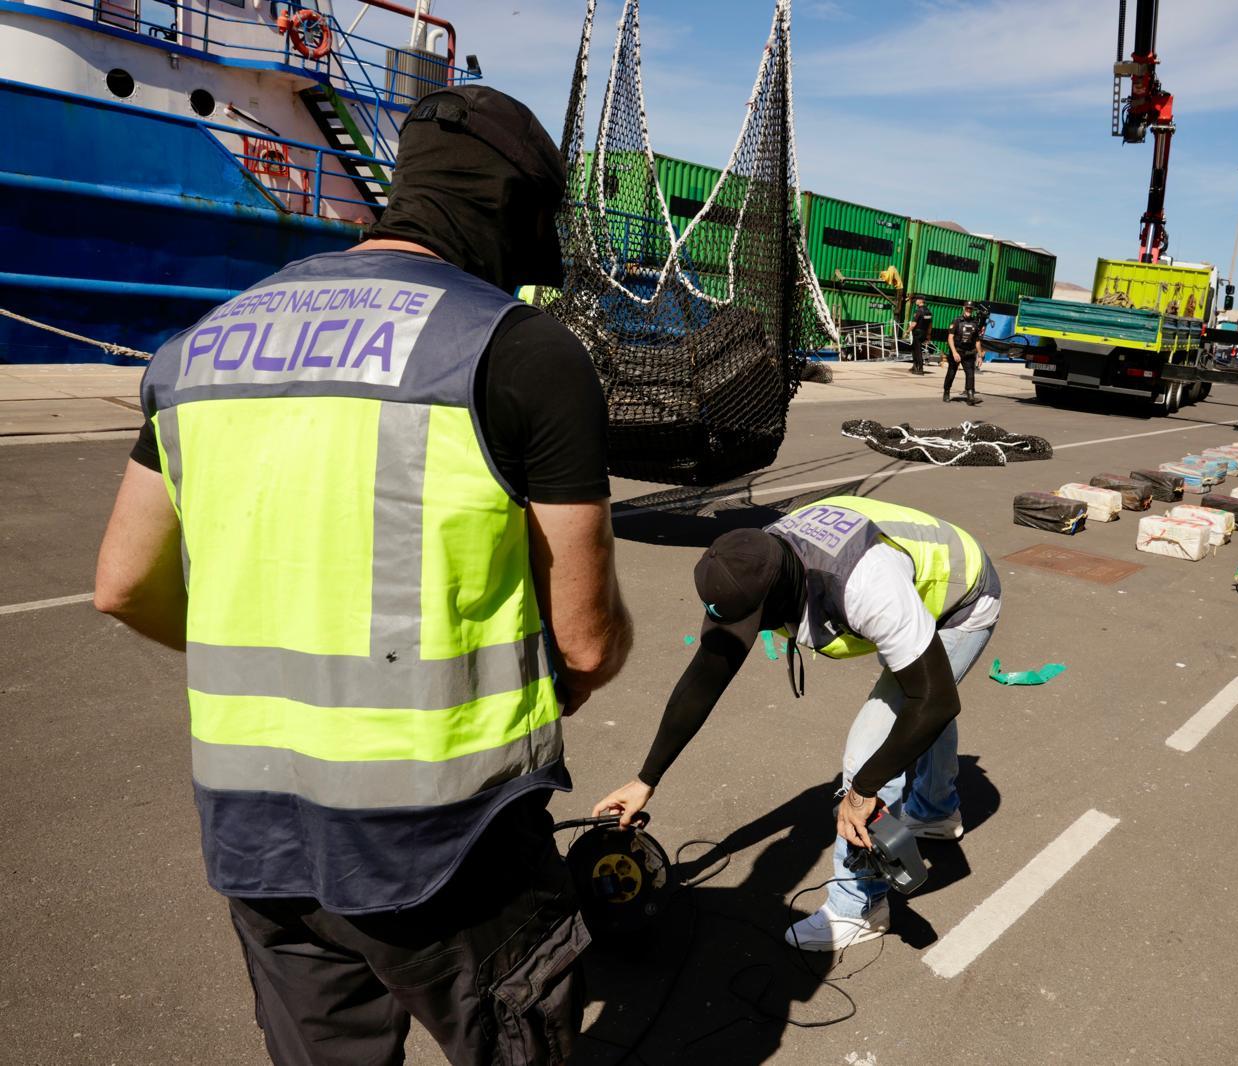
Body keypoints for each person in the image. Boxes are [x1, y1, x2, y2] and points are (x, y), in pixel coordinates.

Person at [93, 86, 634, 1066]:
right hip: (449, 839)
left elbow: (123, 583)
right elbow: (586, 643)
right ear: (513, 209)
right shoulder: (515, 350)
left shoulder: (199, 348)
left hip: (255, 824)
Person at [592, 496, 1001, 951]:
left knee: (871, 749)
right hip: (906, 584)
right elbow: (705, 677)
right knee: (909, 704)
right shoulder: (749, 563)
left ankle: (860, 906)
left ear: (780, 592)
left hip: (960, 598)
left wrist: (863, 791)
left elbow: (935, 700)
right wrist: (646, 779)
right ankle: (937, 811)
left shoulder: (866, 586)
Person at [944, 301, 984, 405]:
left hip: (969, 352)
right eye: (967, 308)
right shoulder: (957, 321)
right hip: (957, 351)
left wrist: (980, 356)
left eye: (970, 309)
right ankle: (946, 392)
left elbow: (977, 341)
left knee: (970, 374)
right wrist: (954, 352)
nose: (968, 310)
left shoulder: (975, 323)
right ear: (964, 308)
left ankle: (970, 396)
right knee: (951, 372)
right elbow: (950, 338)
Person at [906, 296, 933, 375]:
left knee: (917, 351)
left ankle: (920, 369)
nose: (915, 301)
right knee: (914, 349)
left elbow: (914, 324)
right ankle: (915, 366)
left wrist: (907, 331)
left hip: (917, 333)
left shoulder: (918, 311)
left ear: (921, 301)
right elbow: (930, 325)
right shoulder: (928, 312)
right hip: (924, 333)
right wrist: (928, 334)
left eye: (917, 300)